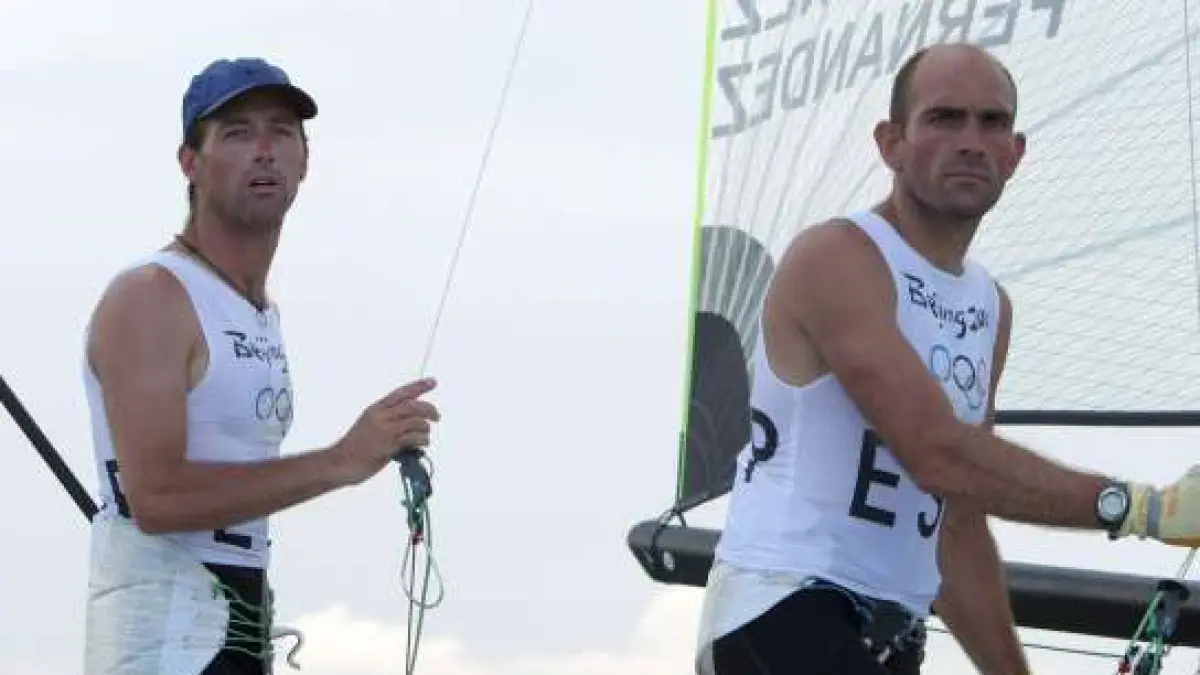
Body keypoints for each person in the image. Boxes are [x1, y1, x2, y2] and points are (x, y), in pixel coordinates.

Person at [694, 42, 1200, 675]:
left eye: (992, 123)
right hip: (782, 606)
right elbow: (935, 451)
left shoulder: (991, 305)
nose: (970, 142)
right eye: (944, 118)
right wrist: (1144, 509)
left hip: (892, 632)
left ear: (1015, 153)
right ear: (891, 143)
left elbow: (957, 520)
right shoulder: (836, 256)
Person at [81, 57, 442, 674]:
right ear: (190, 163)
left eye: (281, 131)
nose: (265, 151)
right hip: (166, 645)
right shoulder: (152, 295)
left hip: (236, 629)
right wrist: (342, 460)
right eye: (237, 133)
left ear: (305, 160)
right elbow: (156, 498)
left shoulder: (258, 311)